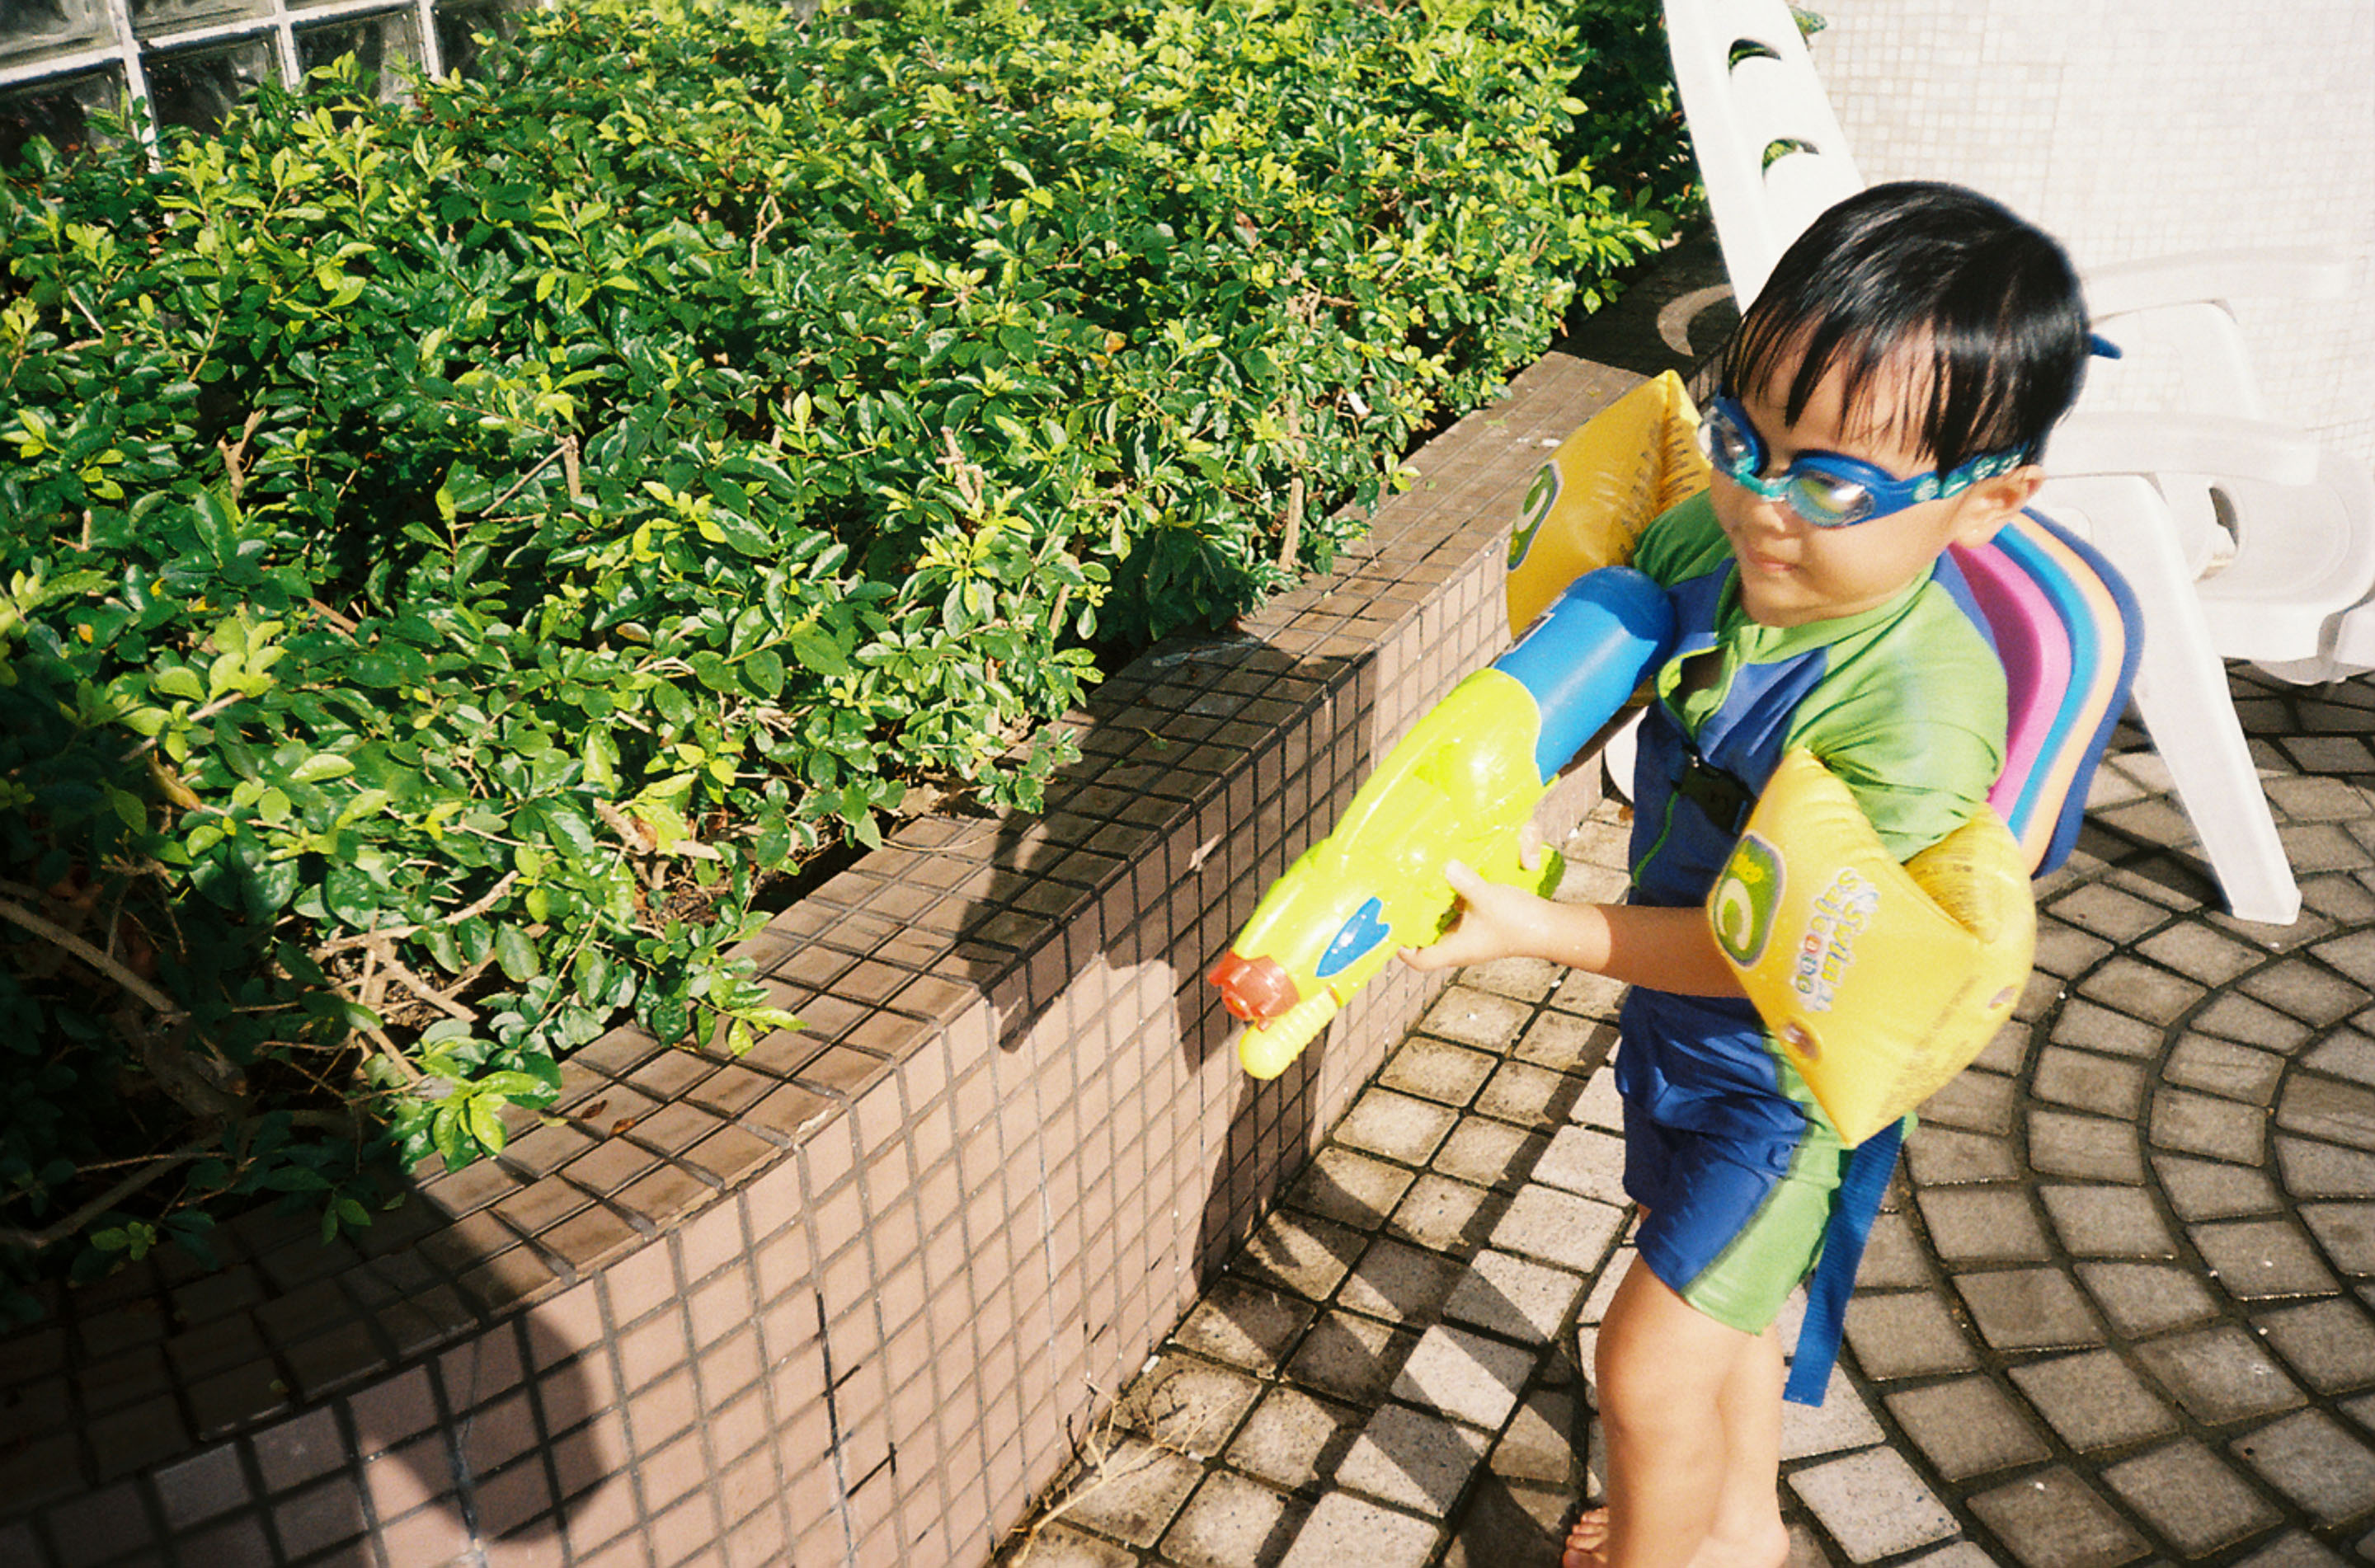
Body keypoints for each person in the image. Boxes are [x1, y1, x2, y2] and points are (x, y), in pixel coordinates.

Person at [1402, 181, 2092, 1568]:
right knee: (1729, 1300)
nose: (1765, 501)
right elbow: (1608, 656)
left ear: (1988, 502)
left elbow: (1773, 956)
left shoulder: (1914, 702)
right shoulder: (1722, 546)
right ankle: (1738, 1529)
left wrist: (1543, 926)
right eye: (1744, 436)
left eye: (1834, 480)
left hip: (1785, 1080)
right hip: (1683, 1041)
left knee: (1648, 1365)